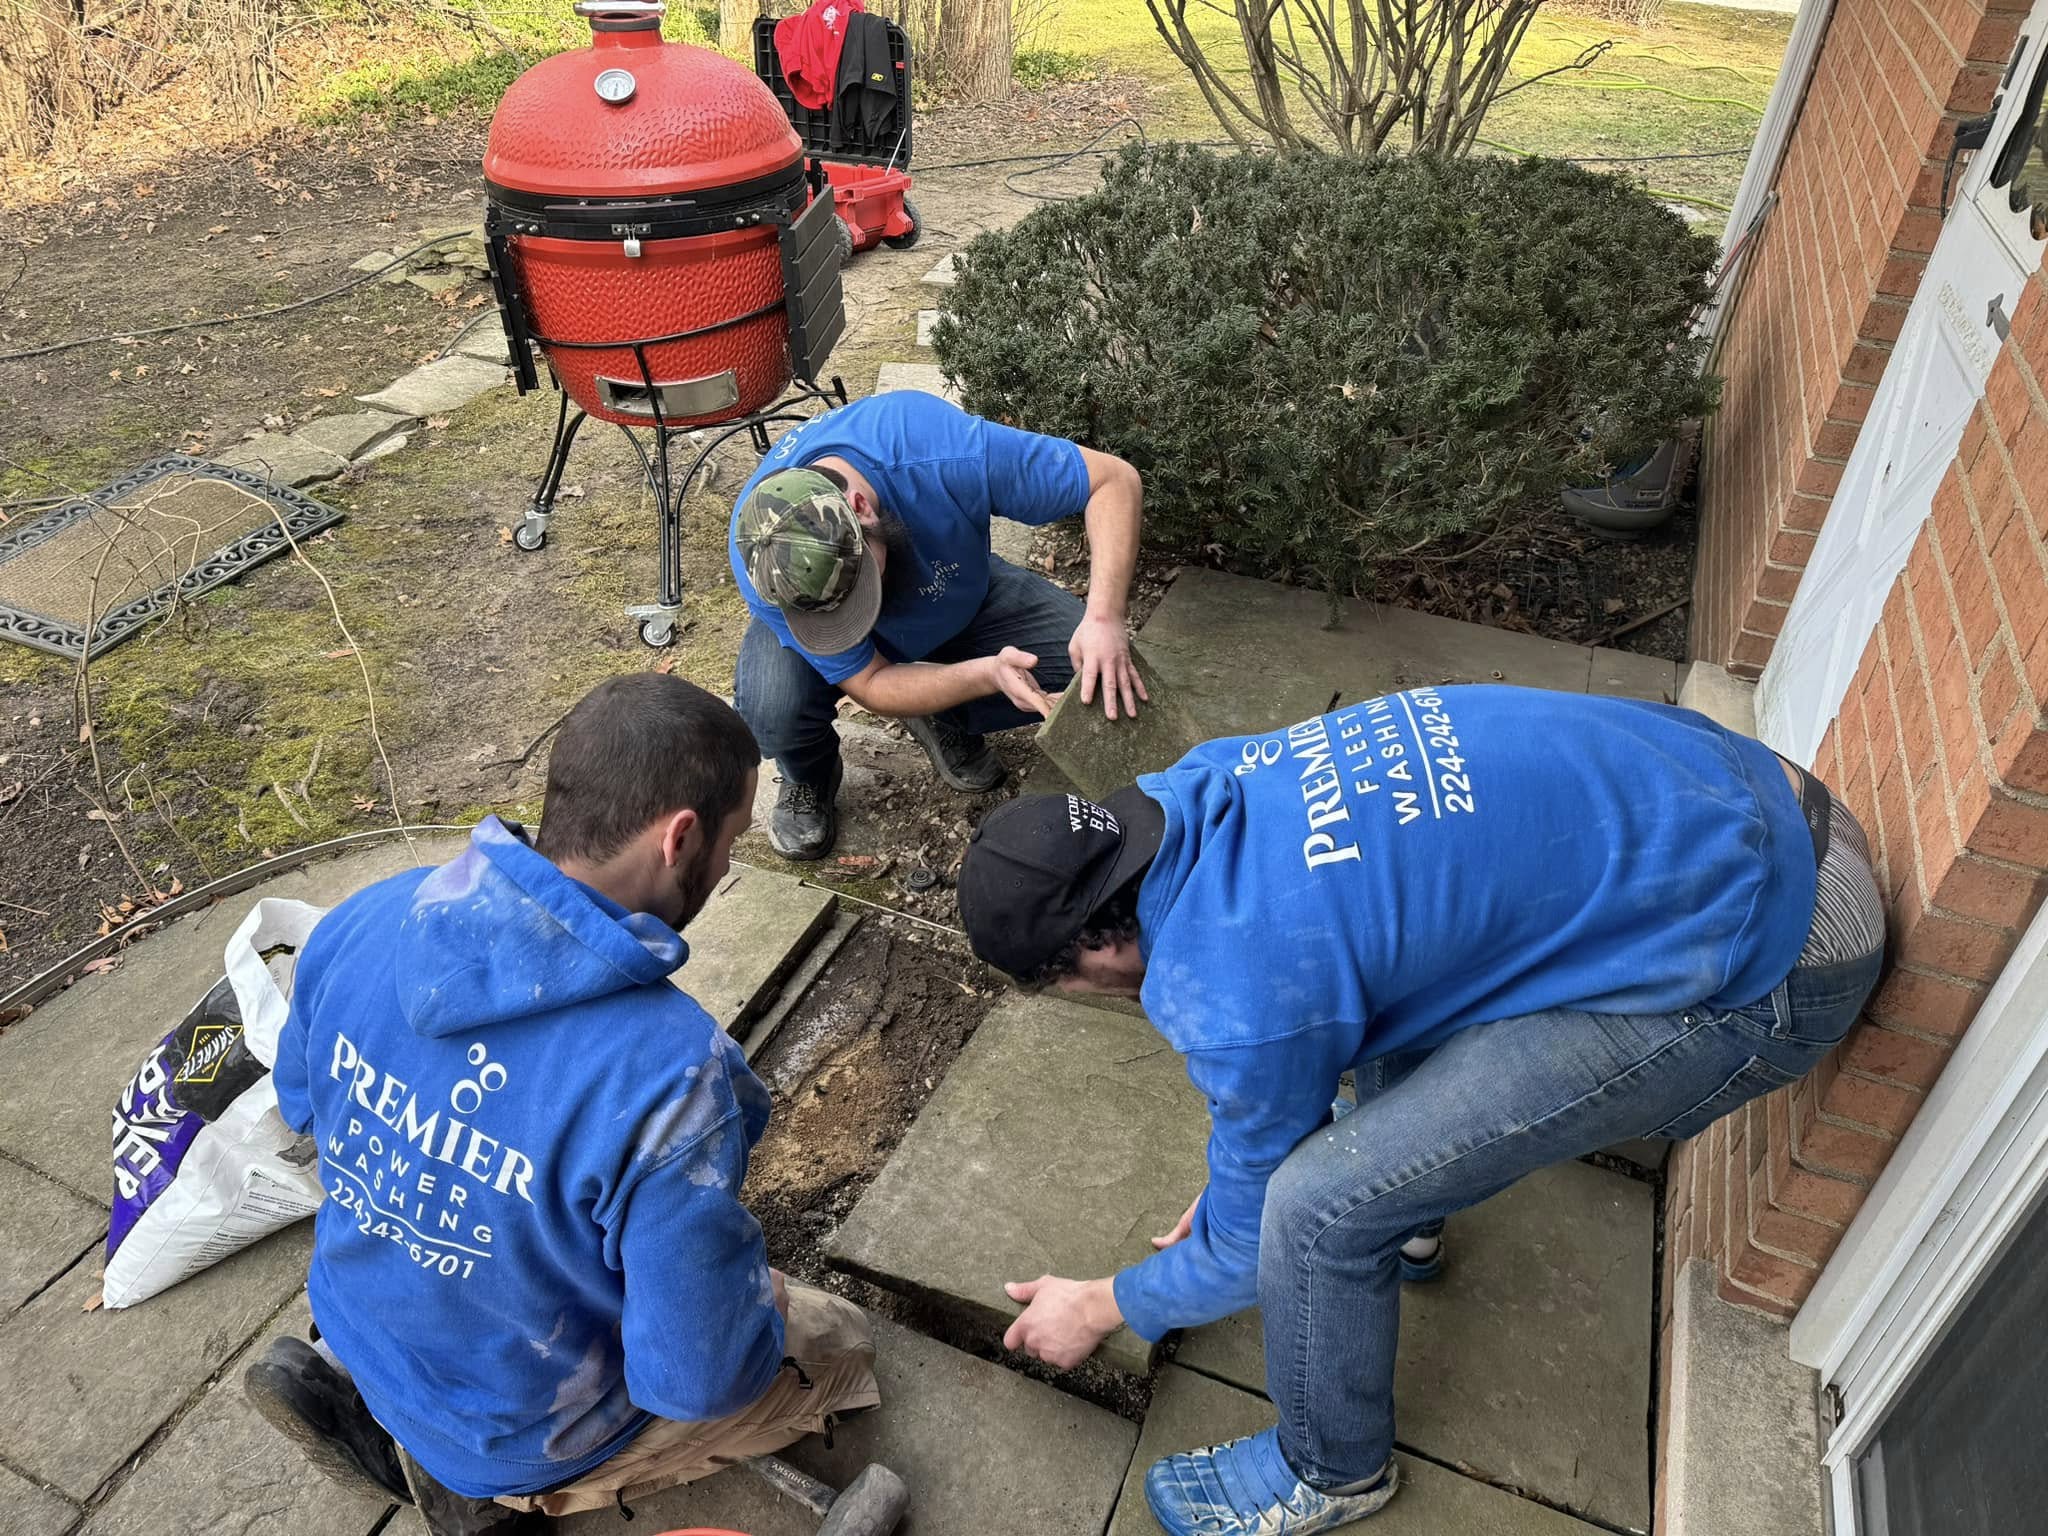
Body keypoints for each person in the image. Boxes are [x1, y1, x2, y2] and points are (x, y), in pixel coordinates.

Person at [954, 685, 1886, 1536]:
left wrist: (1114, 1303)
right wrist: (1231, 1183)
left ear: (1091, 952)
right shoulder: (1207, 784)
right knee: (1395, 984)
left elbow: (1258, 1229)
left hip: (1780, 961)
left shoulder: (1233, 991)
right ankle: (1410, 1230)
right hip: (1762, 796)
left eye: (1069, 986)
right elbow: (1325, 996)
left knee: (1318, 1213)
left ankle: (1330, 1472)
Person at [244, 675, 879, 1535]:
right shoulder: (673, 1077)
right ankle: (500, 1496)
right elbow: (692, 1382)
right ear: (680, 836)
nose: (729, 866)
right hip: (531, 1419)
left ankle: (373, 1399)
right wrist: (750, 1309)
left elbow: (303, 1108)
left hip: (362, 1310)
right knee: (837, 1344)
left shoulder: (375, 914)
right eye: (732, 838)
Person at [729, 387, 1146, 862]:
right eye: (837, 607)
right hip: (857, 637)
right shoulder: (762, 556)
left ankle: (939, 711)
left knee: (1096, 673)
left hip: (955, 591)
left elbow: (1112, 481)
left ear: (862, 507)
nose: (859, 610)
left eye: (859, 585)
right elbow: (870, 680)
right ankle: (809, 773)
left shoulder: (938, 451)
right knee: (772, 712)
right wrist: (984, 675)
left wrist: (1104, 616)